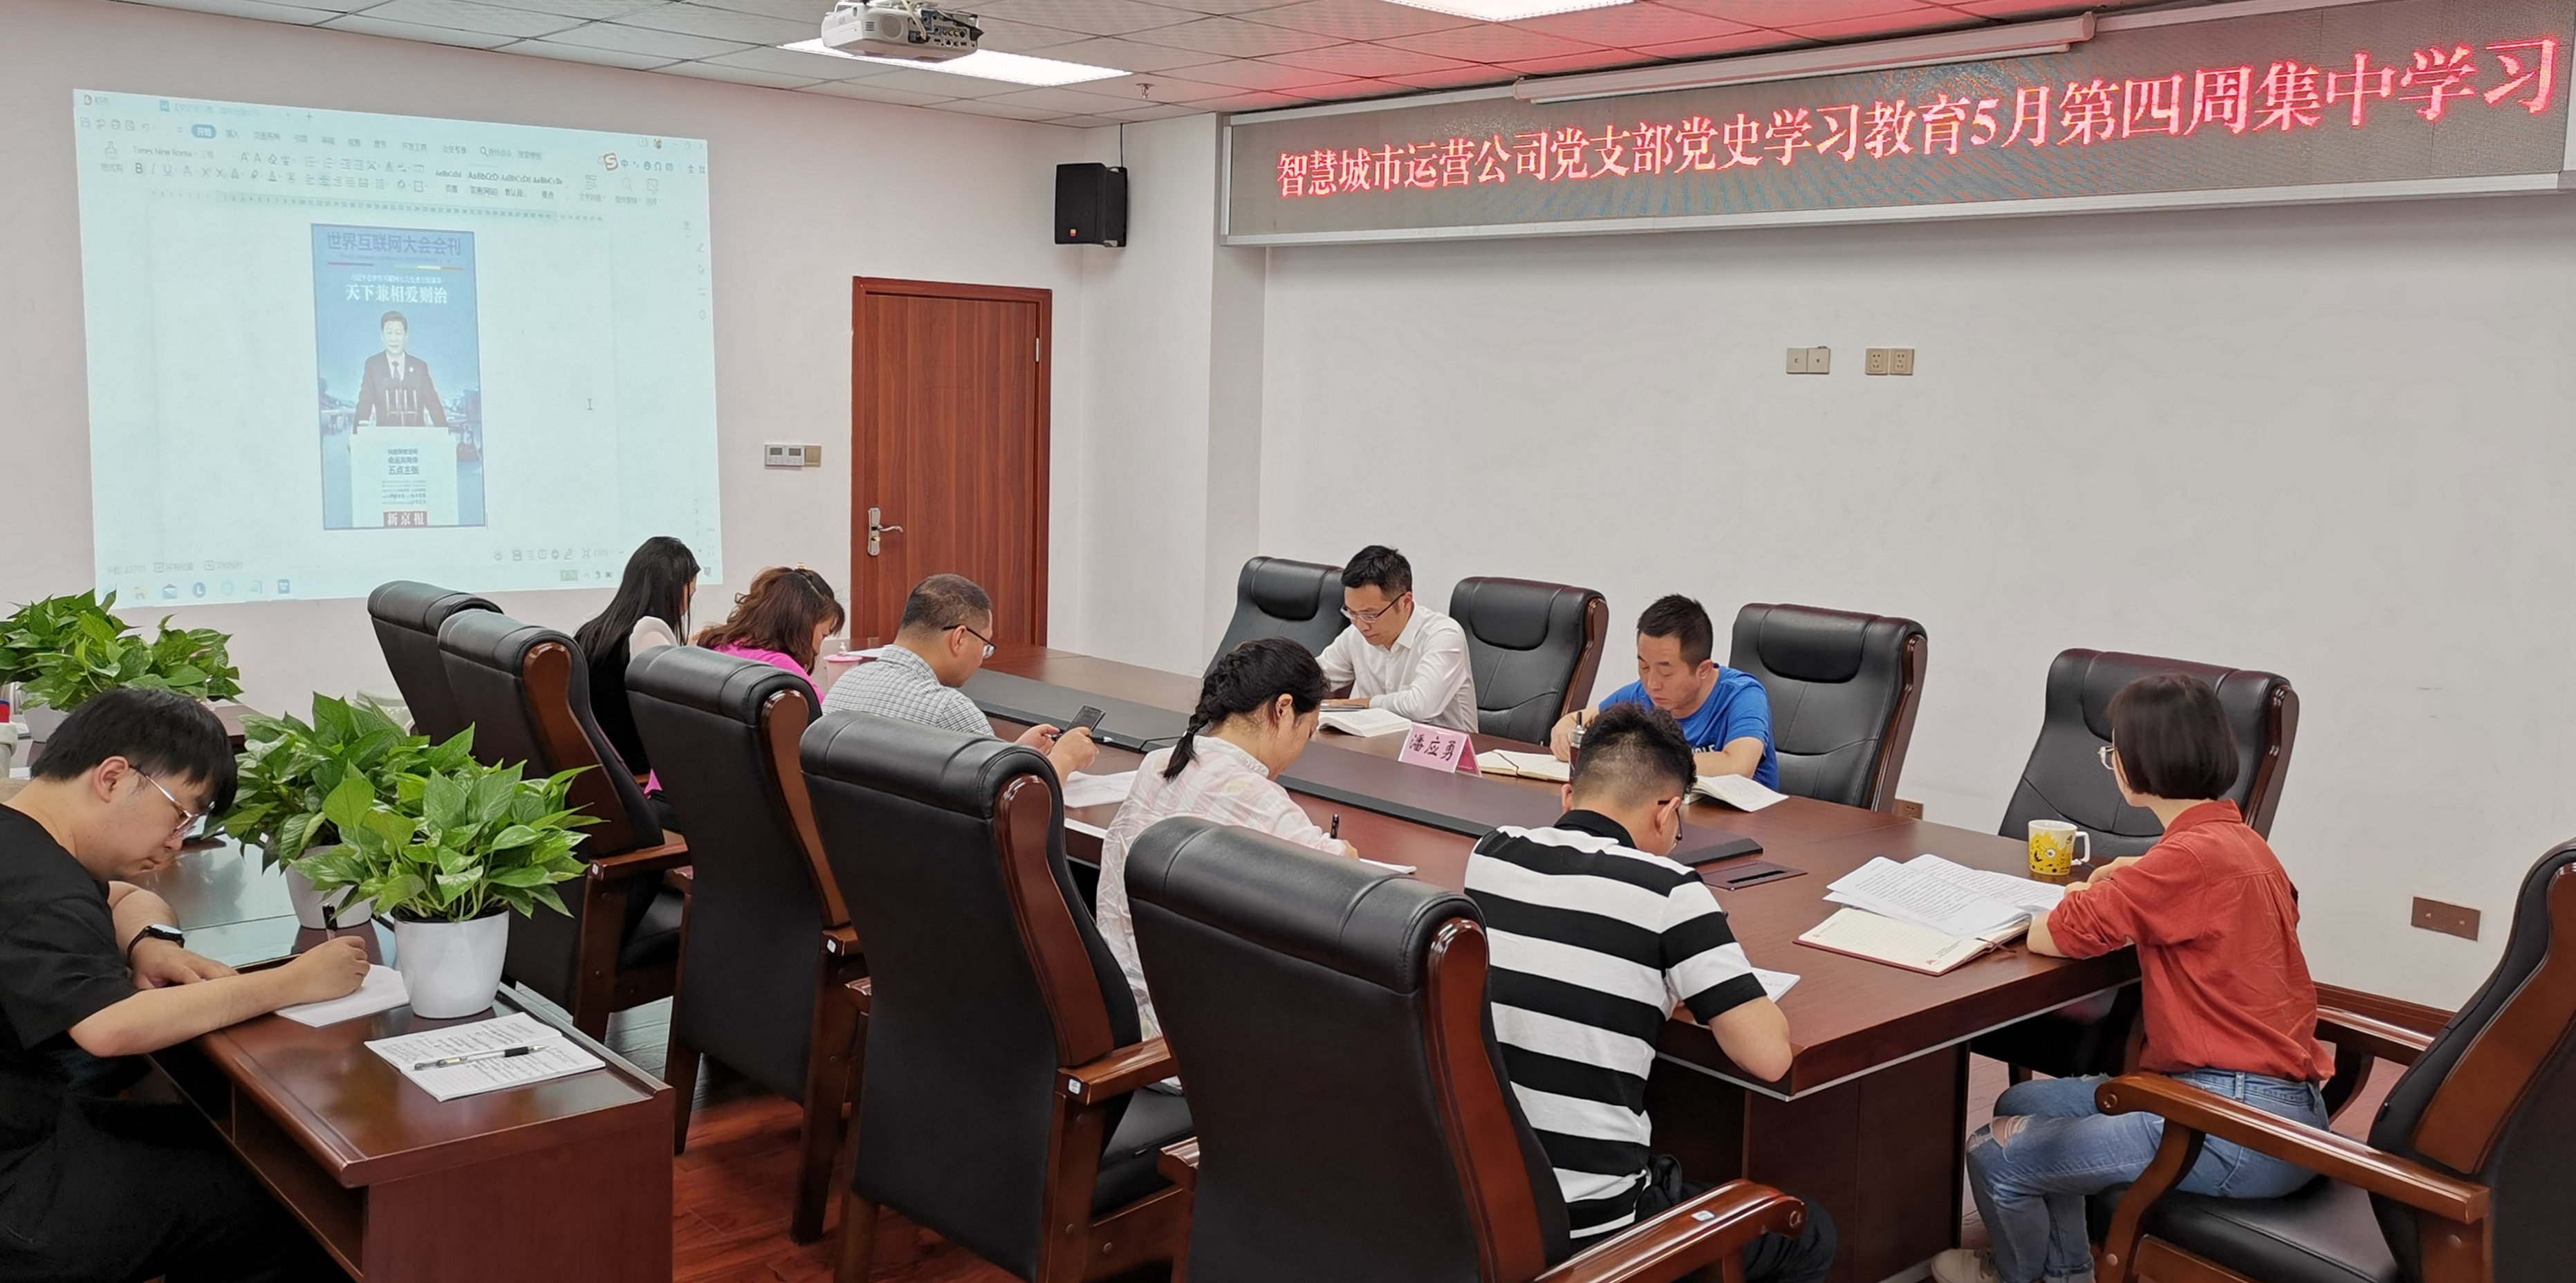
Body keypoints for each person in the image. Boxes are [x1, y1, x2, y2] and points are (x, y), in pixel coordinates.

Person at [1934, 675, 2334, 1283]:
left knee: (1995, 1154)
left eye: (2112, 752)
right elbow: (2194, 895)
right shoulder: (2241, 844)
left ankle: (2023, 1277)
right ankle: (2064, 1271)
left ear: (2135, 764)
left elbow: (2057, 933)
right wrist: (2134, 873)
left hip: (2230, 1126)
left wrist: (2084, 891)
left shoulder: (2184, 861)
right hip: (2279, 1108)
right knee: (2022, 1102)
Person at [0, 688, 371, 1283]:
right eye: (179, 813)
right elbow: (110, 1026)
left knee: (237, 1147)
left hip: (31, 1125)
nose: (177, 840)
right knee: (287, 1207)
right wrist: (292, 982)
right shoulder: (42, 889)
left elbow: (123, 899)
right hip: (18, 1192)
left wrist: (150, 942)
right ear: (113, 777)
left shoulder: (25, 842)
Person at [1465, 702, 1834, 1282]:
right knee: (1807, 1232)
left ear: (1569, 795)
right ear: (1666, 810)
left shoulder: (1491, 852)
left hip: (1480, 1200)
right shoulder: (1670, 892)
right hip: (1591, 1225)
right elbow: (1768, 1057)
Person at [1097, 638, 1355, 1039]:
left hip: (1118, 1008)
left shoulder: (1157, 764)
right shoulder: (1256, 797)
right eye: (1307, 732)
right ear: (1283, 709)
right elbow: (1343, 880)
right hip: (1188, 1037)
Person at [821, 573, 1095, 779]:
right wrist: (1065, 758)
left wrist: (1013, 752)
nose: (982, 658)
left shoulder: (847, 683)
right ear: (960, 638)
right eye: (985, 645)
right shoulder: (947, 709)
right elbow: (1012, 801)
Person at [1549, 595, 1778, 788]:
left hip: (1746, 822)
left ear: (1704, 670)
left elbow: (1738, 766)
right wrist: (1564, 730)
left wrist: (1646, 762)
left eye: (1666, 672)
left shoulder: (1742, 695)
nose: (1652, 684)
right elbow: (1577, 720)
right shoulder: (1642, 695)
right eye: (1644, 667)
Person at [573, 535, 700, 782]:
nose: (686, 607)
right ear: (672, 590)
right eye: (689, 595)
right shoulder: (649, 634)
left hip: (602, 766)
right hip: (639, 771)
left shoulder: (590, 632)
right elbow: (669, 720)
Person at [1315, 545, 1479, 733]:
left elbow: (1421, 706)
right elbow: (1315, 677)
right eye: (1351, 612)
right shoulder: (1355, 634)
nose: (1361, 625)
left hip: (1439, 747)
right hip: (1377, 744)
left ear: (1405, 602)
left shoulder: (1443, 635)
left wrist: (1364, 704)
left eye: (1370, 615)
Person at [693, 566, 844, 676]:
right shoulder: (782, 669)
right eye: (823, 635)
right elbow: (823, 711)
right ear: (802, 626)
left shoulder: (715, 646)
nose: (818, 650)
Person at [353, 311, 446, 427]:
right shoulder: (373, 365)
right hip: (384, 435)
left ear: (406, 337)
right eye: (389, 333)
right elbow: (365, 401)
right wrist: (358, 433)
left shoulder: (420, 367)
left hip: (417, 436)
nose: (394, 339)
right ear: (382, 337)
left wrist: (444, 431)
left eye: (398, 333)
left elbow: (433, 402)